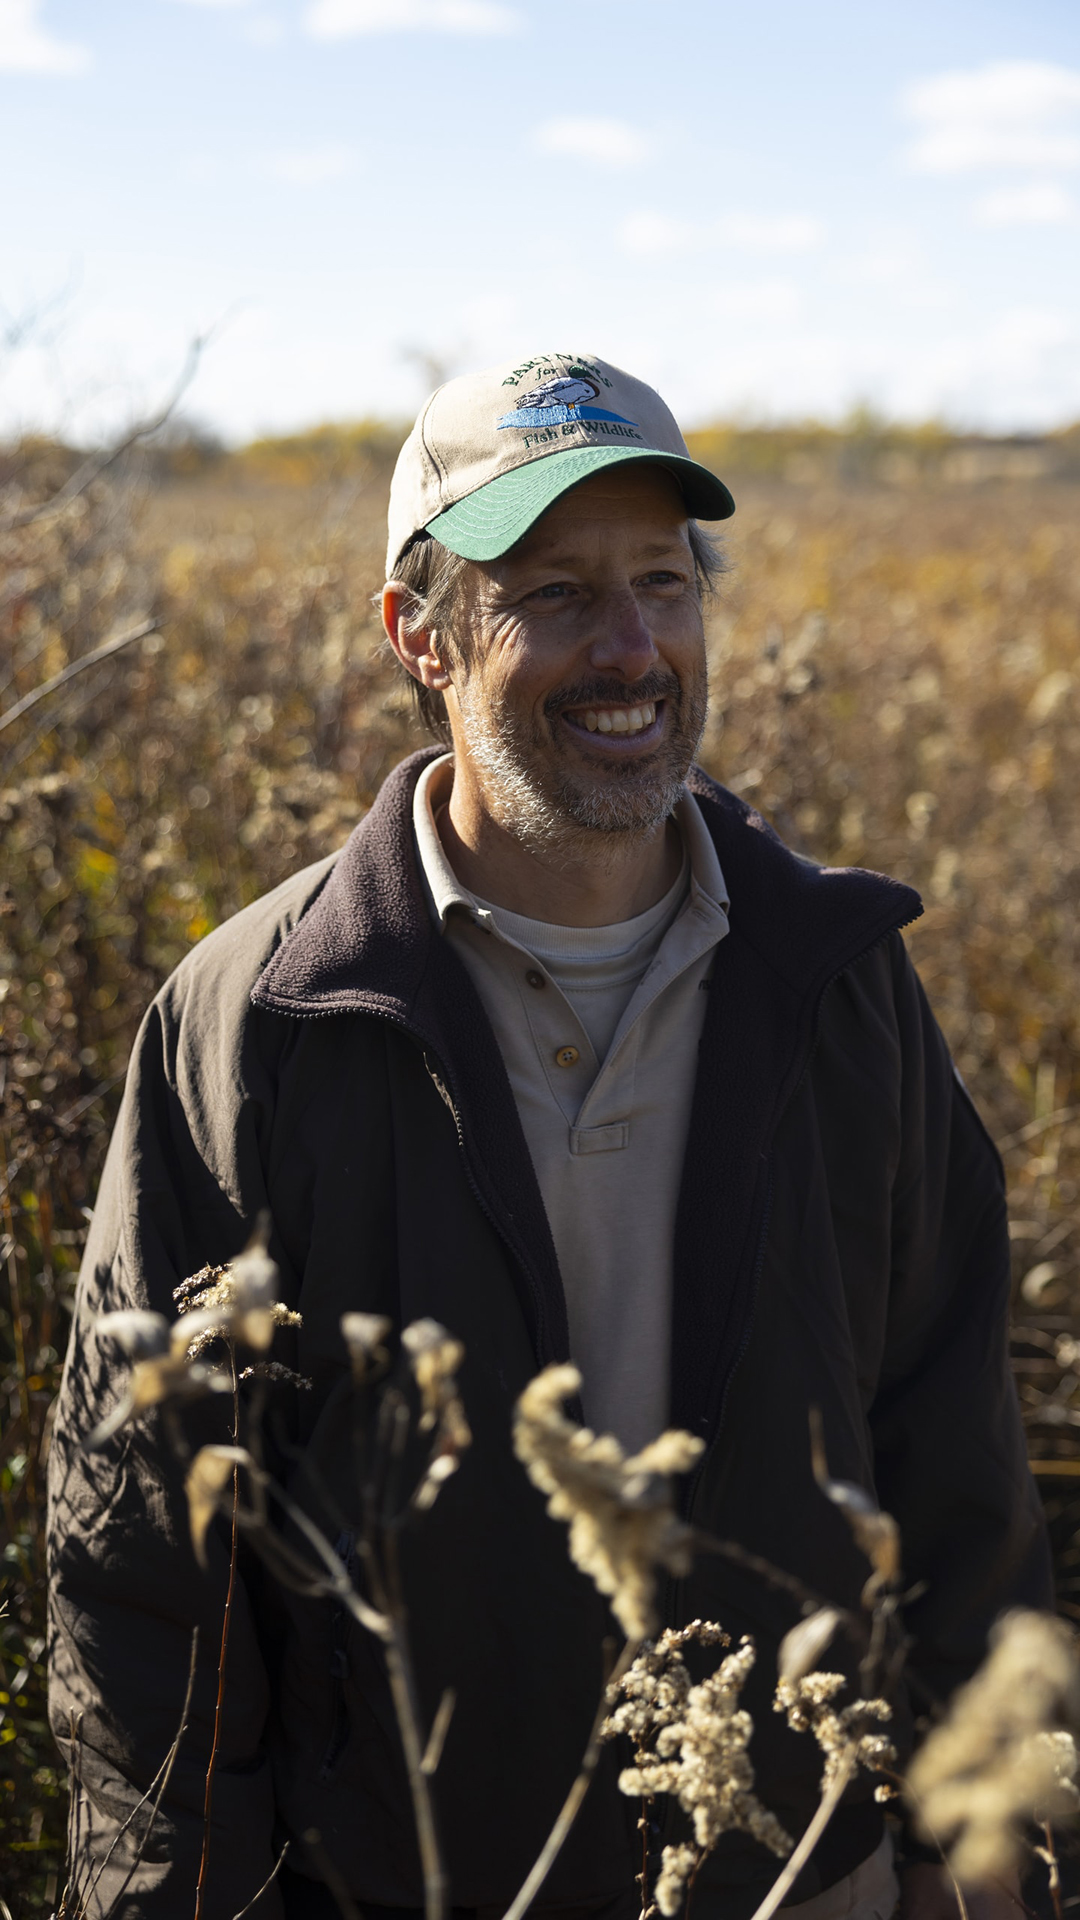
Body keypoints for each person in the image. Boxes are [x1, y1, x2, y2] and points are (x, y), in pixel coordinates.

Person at [48, 351, 1051, 1920]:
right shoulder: (259, 1020)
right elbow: (149, 1564)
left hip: (795, 1878)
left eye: (663, 580)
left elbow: (956, 1474)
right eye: (556, 594)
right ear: (418, 639)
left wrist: (983, 1858)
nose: (633, 647)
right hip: (414, 1885)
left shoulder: (837, 989)